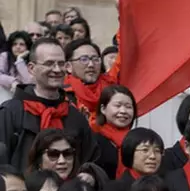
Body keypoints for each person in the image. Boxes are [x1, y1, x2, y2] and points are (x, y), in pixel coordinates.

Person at [0, 38, 98, 171]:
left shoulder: (74, 115)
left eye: (61, 63)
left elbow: (91, 159)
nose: (57, 69)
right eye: (49, 63)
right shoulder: (10, 112)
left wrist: (89, 175)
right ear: (31, 68)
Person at [99, 128, 164, 191]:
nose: (152, 156)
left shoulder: (164, 187)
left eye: (157, 151)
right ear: (130, 151)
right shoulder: (115, 189)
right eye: (145, 150)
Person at [62, 38, 118, 117]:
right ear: (68, 66)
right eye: (84, 59)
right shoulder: (61, 95)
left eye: (95, 59)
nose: (91, 65)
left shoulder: (113, 89)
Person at [91, 85, 137, 179]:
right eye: (118, 106)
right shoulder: (93, 141)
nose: (123, 111)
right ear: (103, 109)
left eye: (128, 107)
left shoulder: (138, 141)